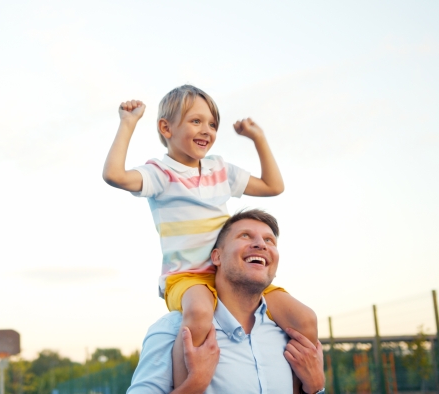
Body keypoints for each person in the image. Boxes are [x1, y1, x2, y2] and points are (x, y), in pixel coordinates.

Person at [102, 85, 317, 387]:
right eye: (196, 121)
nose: (207, 130)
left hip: (229, 274)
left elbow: (273, 186)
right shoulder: (160, 174)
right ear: (166, 127)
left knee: (304, 318)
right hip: (187, 277)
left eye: (212, 124)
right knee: (200, 313)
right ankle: (189, 386)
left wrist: (258, 138)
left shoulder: (219, 169)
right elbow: (115, 175)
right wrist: (128, 123)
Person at [127, 209, 326, 393]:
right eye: (245, 235)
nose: (261, 244)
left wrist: (316, 388)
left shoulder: (290, 335)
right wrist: (194, 384)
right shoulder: (173, 329)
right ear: (217, 256)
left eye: (269, 240)